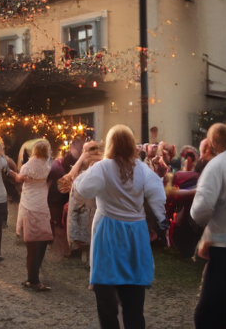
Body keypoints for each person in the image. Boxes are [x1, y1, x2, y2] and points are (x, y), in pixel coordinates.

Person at [73, 125, 166, 329]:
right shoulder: (142, 168)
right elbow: (157, 195)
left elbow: (85, 189)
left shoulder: (103, 167)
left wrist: (82, 173)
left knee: (106, 298)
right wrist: (161, 220)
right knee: (133, 301)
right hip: (135, 233)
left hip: (108, 232)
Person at [190, 123, 226, 329]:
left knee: (208, 316)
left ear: (213, 142)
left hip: (224, 249)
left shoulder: (218, 165)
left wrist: (208, 231)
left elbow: (201, 209)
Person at [14, 139, 54, 292]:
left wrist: (12, 173)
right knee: (42, 239)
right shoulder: (47, 166)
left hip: (29, 204)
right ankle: (34, 277)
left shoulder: (27, 166)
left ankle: (32, 278)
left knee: (32, 243)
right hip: (42, 204)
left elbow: (19, 179)